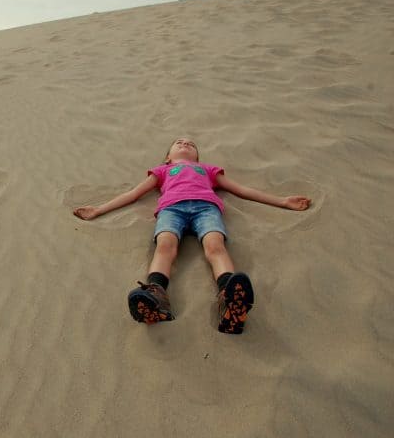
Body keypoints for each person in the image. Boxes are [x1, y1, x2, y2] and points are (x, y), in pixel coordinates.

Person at [73, 138, 310, 334]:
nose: (185, 143)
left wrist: (282, 201)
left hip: (206, 208)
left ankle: (229, 296)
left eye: (190, 143)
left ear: (197, 157)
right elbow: (134, 193)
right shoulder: (162, 171)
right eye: (178, 142)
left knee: (215, 245)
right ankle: (155, 295)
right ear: (168, 157)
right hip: (171, 209)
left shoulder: (208, 170)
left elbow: (242, 190)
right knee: (165, 246)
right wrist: (99, 209)